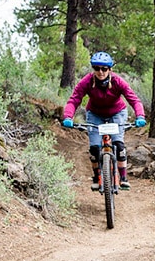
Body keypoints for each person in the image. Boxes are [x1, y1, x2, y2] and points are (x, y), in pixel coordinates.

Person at [61, 52, 146, 191]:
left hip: (117, 112)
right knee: (95, 148)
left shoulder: (118, 81)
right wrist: (68, 117)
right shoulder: (87, 81)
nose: (100, 72)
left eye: (104, 69)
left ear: (110, 69)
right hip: (95, 114)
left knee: (118, 144)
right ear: (93, 69)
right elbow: (74, 99)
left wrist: (140, 116)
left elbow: (134, 100)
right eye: (97, 68)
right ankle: (96, 177)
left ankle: (123, 178)